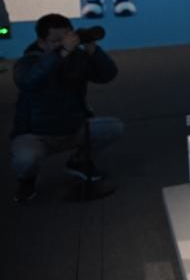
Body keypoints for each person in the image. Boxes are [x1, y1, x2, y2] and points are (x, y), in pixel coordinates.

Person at [11, 13, 122, 202]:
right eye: (56, 41)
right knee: (26, 159)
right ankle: (26, 180)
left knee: (114, 128)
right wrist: (61, 52)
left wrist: (93, 51)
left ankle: (78, 162)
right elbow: (29, 81)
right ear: (41, 42)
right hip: (36, 134)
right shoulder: (28, 61)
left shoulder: (76, 57)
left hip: (72, 128)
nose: (65, 44)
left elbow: (107, 75)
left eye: (67, 38)